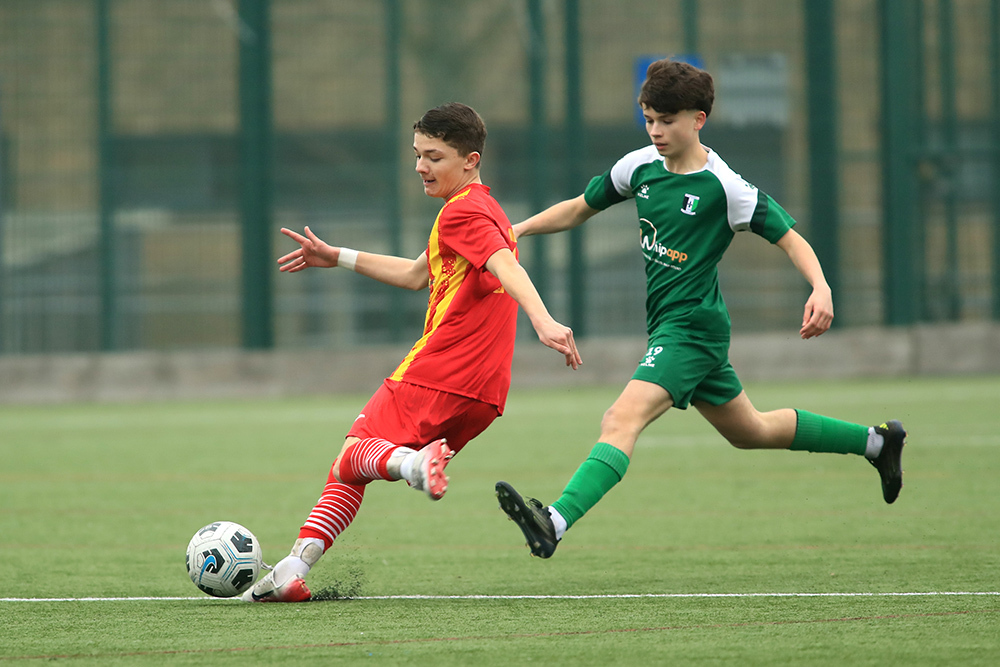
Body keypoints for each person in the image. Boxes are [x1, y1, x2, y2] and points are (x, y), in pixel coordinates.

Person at [495, 58, 906, 559]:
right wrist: (517, 230)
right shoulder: (638, 166)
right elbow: (581, 206)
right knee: (749, 430)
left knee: (619, 419)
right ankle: (876, 443)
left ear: (698, 119)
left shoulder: (725, 187)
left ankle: (554, 521)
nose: (656, 130)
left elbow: (790, 237)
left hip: (689, 329)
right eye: (649, 119)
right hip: (685, 328)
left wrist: (820, 286)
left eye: (667, 120)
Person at [243, 102, 581, 601]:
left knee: (355, 455)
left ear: (470, 160)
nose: (421, 166)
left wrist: (542, 317)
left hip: (439, 372)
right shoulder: (483, 210)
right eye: (418, 155)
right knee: (349, 468)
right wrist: (336, 256)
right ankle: (293, 568)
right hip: (484, 394)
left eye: (434, 157)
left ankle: (415, 466)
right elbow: (413, 274)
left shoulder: (462, 210)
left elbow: (506, 264)